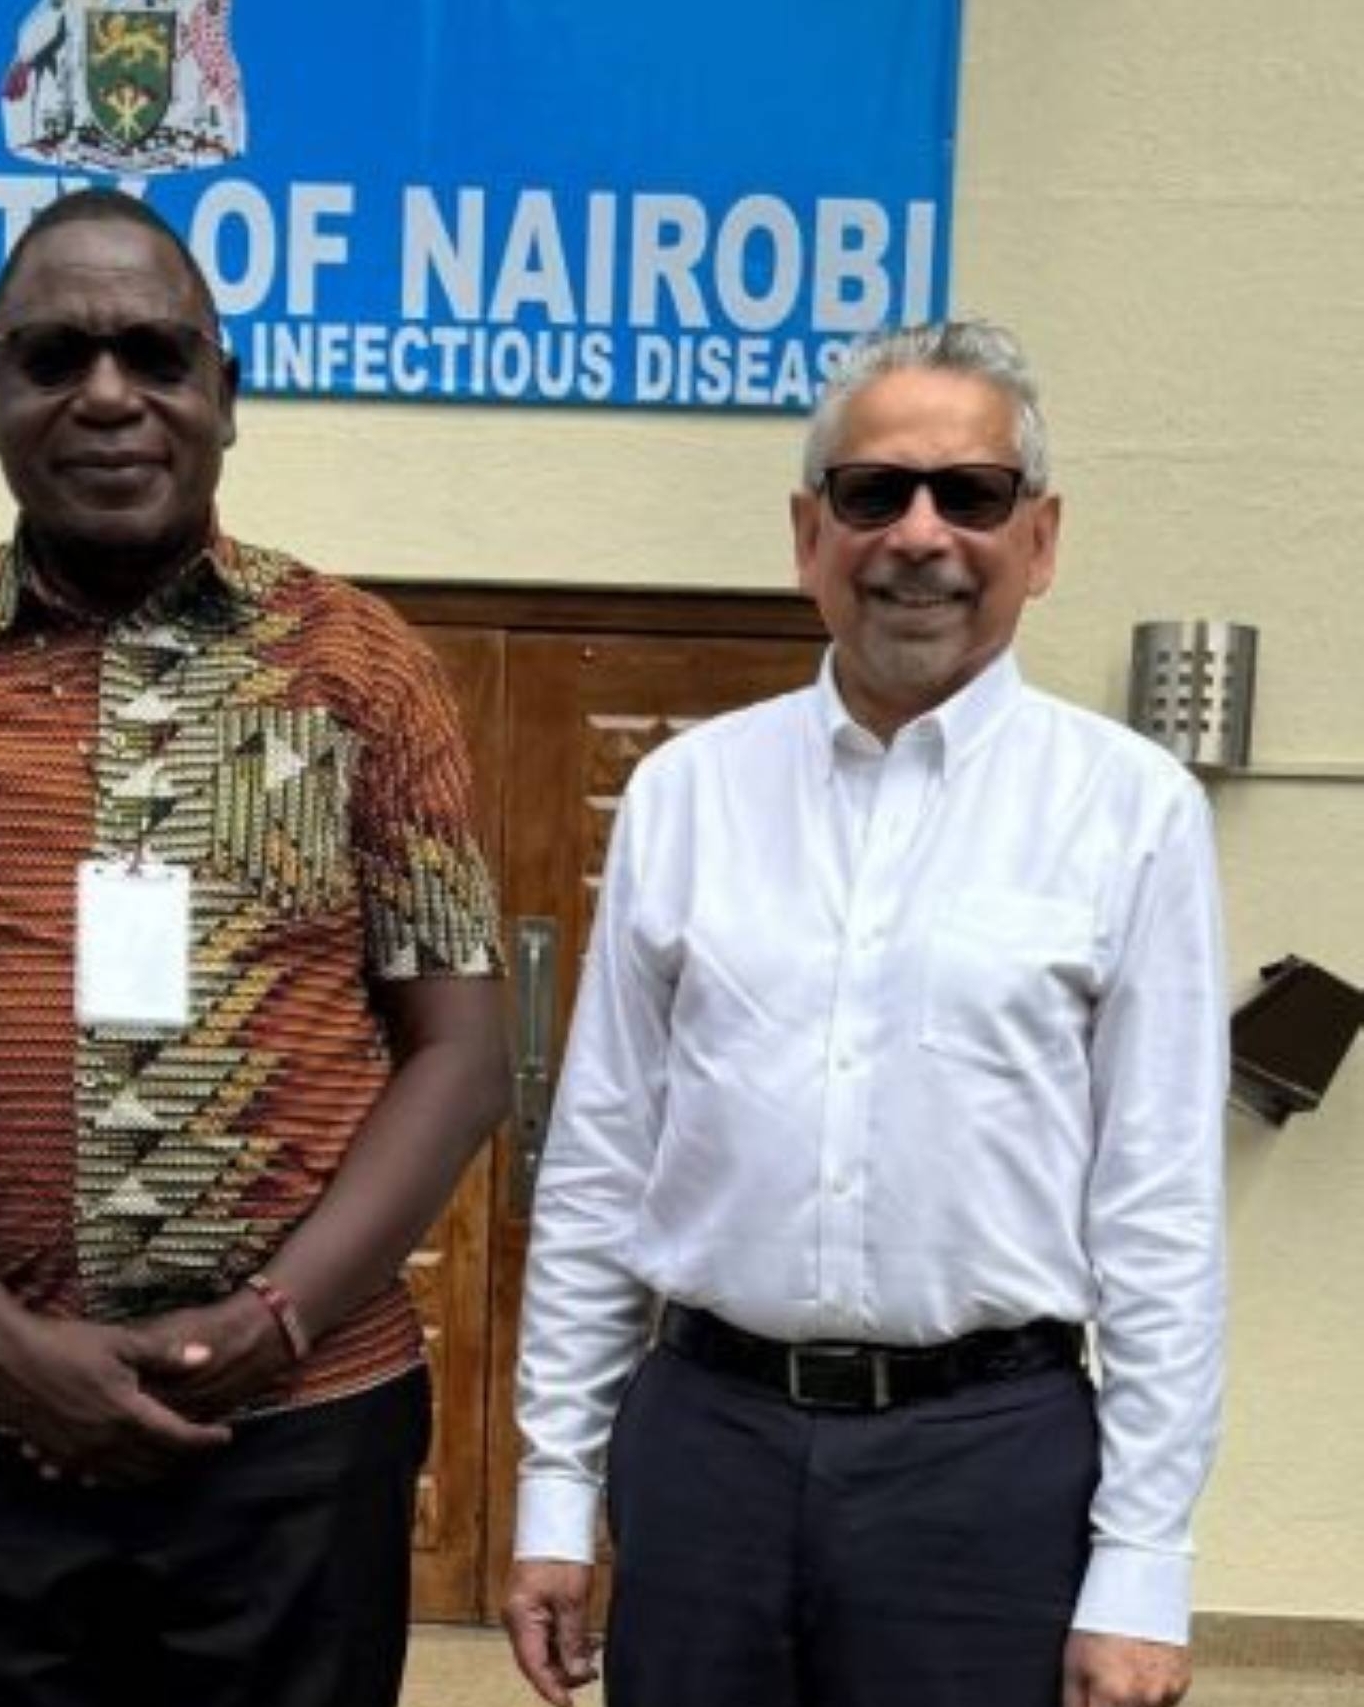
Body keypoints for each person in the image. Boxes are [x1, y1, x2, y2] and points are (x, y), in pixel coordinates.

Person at [0, 188, 511, 1707]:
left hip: (300, 1429)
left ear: (226, 392)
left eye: (156, 356)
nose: (108, 397)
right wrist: (3, 1345)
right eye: (55, 358)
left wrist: (277, 1318)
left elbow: (463, 1047)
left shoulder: (364, 668)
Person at [504, 320, 1224, 1707]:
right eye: (873, 492)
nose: (920, 533)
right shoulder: (687, 795)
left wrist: (1144, 1563)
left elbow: (1160, 1215)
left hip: (988, 1466)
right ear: (808, 533)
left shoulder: (1131, 814)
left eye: (972, 494)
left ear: (1041, 539)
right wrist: (554, 1489)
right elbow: (600, 1163)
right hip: (706, 1446)